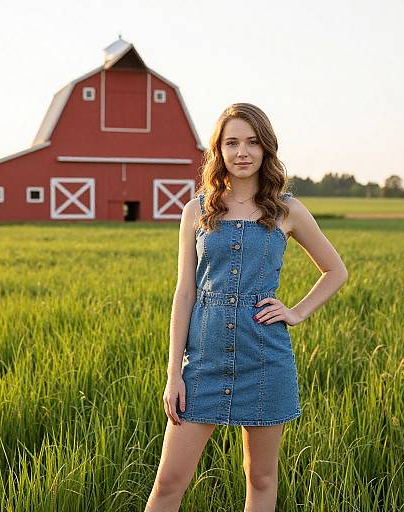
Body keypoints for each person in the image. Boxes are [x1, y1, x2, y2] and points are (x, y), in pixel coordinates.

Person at [145, 103, 348, 512]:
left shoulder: (287, 210)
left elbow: (335, 271)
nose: (242, 152)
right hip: (202, 362)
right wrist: (173, 375)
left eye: (252, 142)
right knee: (168, 482)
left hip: (265, 360)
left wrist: (297, 311)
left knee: (260, 477)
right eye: (232, 142)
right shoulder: (196, 210)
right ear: (218, 150)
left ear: (266, 149)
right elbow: (185, 293)